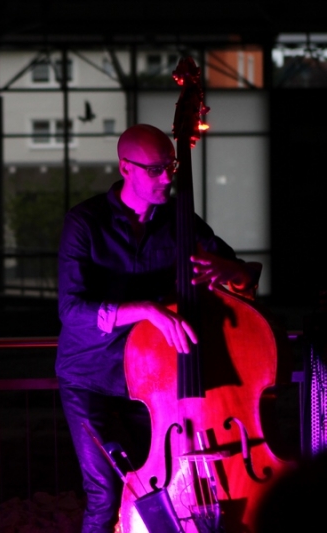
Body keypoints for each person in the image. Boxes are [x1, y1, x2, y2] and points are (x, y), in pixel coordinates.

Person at [55, 124, 259, 533]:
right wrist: (148, 310)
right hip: (91, 376)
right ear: (125, 168)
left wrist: (230, 270)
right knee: (105, 493)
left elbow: (240, 280)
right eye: (155, 170)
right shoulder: (85, 222)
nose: (168, 178)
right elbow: (72, 310)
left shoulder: (181, 221)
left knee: (161, 489)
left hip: (155, 380)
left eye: (172, 166)